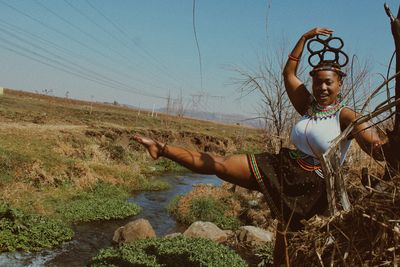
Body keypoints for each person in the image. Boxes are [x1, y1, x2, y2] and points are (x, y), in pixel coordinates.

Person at [133, 27, 390, 265]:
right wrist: (304, 38)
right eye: (318, 81)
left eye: (328, 82)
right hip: (285, 167)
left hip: (313, 188)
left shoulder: (346, 116)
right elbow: (288, 74)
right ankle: (161, 148)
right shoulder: (307, 106)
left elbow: (377, 149)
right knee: (221, 164)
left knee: (289, 244)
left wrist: (390, 146)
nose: (322, 87)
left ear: (339, 83)